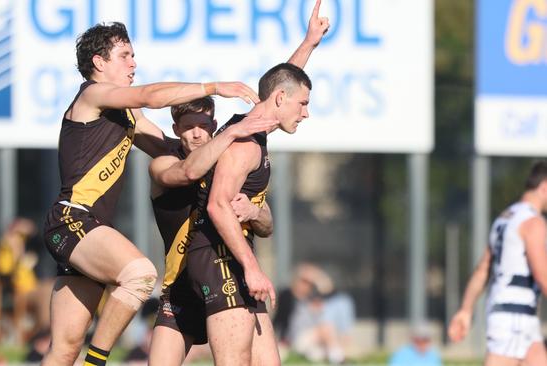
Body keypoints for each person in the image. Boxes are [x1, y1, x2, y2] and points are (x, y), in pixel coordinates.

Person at [40, 21, 266, 366]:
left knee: (63, 350)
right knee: (139, 275)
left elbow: (173, 150)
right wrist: (214, 87)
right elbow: (148, 96)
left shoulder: (127, 114)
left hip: (88, 233)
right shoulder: (93, 93)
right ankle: (96, 363)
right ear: (99, 63)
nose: (133, 63)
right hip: (72, 220)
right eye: (125, 55)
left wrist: (227, 140)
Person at [147, 97, 277, 366]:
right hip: (179, 287)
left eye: (203, 126)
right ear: (175, 129)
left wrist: (254, 212)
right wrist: (231, 132)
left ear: (213, 125)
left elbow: (268, 226)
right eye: (188, 127)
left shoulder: (230, 163)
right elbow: (189, 172)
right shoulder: (164, 163)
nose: (196, 133)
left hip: (224, 274)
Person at [448, 160, 547, 366]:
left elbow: (482, 269)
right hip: (514, 316)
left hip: (517, 317)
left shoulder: (505, 218)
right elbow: (542, 274)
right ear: (544, 187)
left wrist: (466, 310)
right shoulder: (534, 223)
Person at [287, 263, 355, 364]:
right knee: (325, 328)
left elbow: (328, 288)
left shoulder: (316, 298)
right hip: (299, 340)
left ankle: (335, 355)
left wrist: (318, 277)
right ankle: (338, 359)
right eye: (304, 281)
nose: (306, 285)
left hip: (316, 342)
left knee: (341, 303)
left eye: (310, 283)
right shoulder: (291, 296)